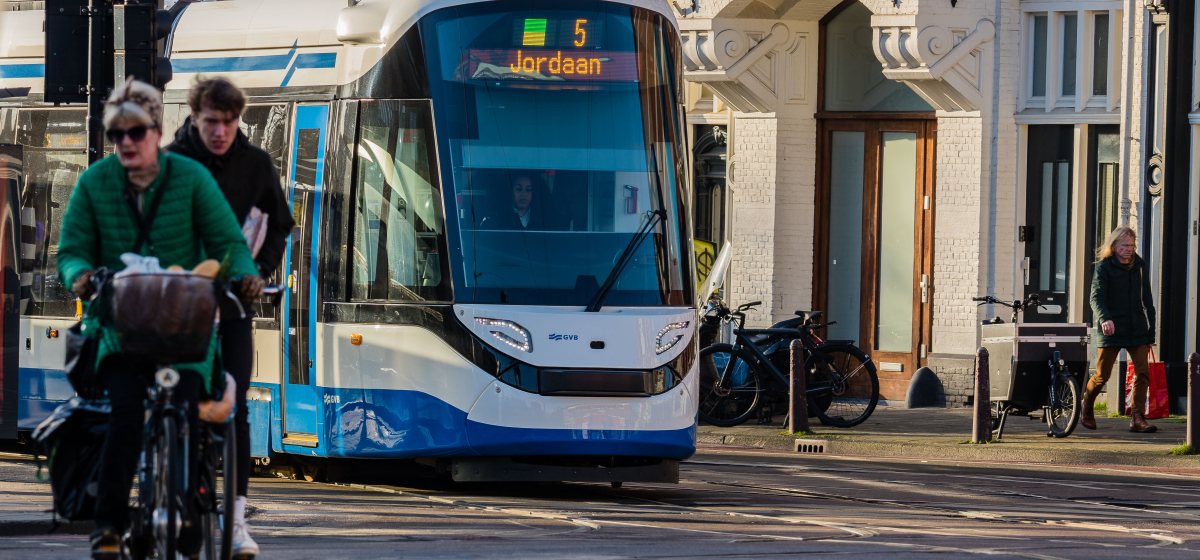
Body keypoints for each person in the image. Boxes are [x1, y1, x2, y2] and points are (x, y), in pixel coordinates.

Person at [56, 79, 262, 560]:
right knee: (126, 414)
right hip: (121, 332)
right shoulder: (94, 183)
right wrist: (80, 275)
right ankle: (107, 525)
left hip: (184, 332)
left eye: (137, 132)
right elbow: (71, 250)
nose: (126, 142)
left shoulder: (190, 179)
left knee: (187, 411)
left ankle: (189, 506)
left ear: (157, 130)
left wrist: (246, 276)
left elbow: (228, 243)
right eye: (116, 135)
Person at [168, 76, 293, 559]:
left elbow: (279, 225)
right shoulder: (173, 162)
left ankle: (237, 521)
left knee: (234, 400)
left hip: (233, 299)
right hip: (179, 299)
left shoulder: (255, 165)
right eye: (211, 122)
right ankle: (177, 494)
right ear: (195, 117)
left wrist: (258, 274)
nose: (221, 131)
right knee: (178, 399)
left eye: (229, 122)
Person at [1083, 225, 1158, 434]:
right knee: (1101, 375)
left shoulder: (1139, 266)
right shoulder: (1104, 267)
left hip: (1137, 327)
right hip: (1111, 328)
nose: (1129, 249)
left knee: (1143, 373)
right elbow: (1095, 297)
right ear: (1114, 246)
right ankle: (1087, 405)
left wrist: (1151, 330)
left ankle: (1137, 417)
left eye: (1132, 245)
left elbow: (1147, 299)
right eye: (1125, 245)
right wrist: (1105, 318)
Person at [482, 172, 548, 230]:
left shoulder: (544, 218)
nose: (524, 194)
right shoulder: (496, 218)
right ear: (510, 191)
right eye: (519, 189)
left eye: (528, 189)